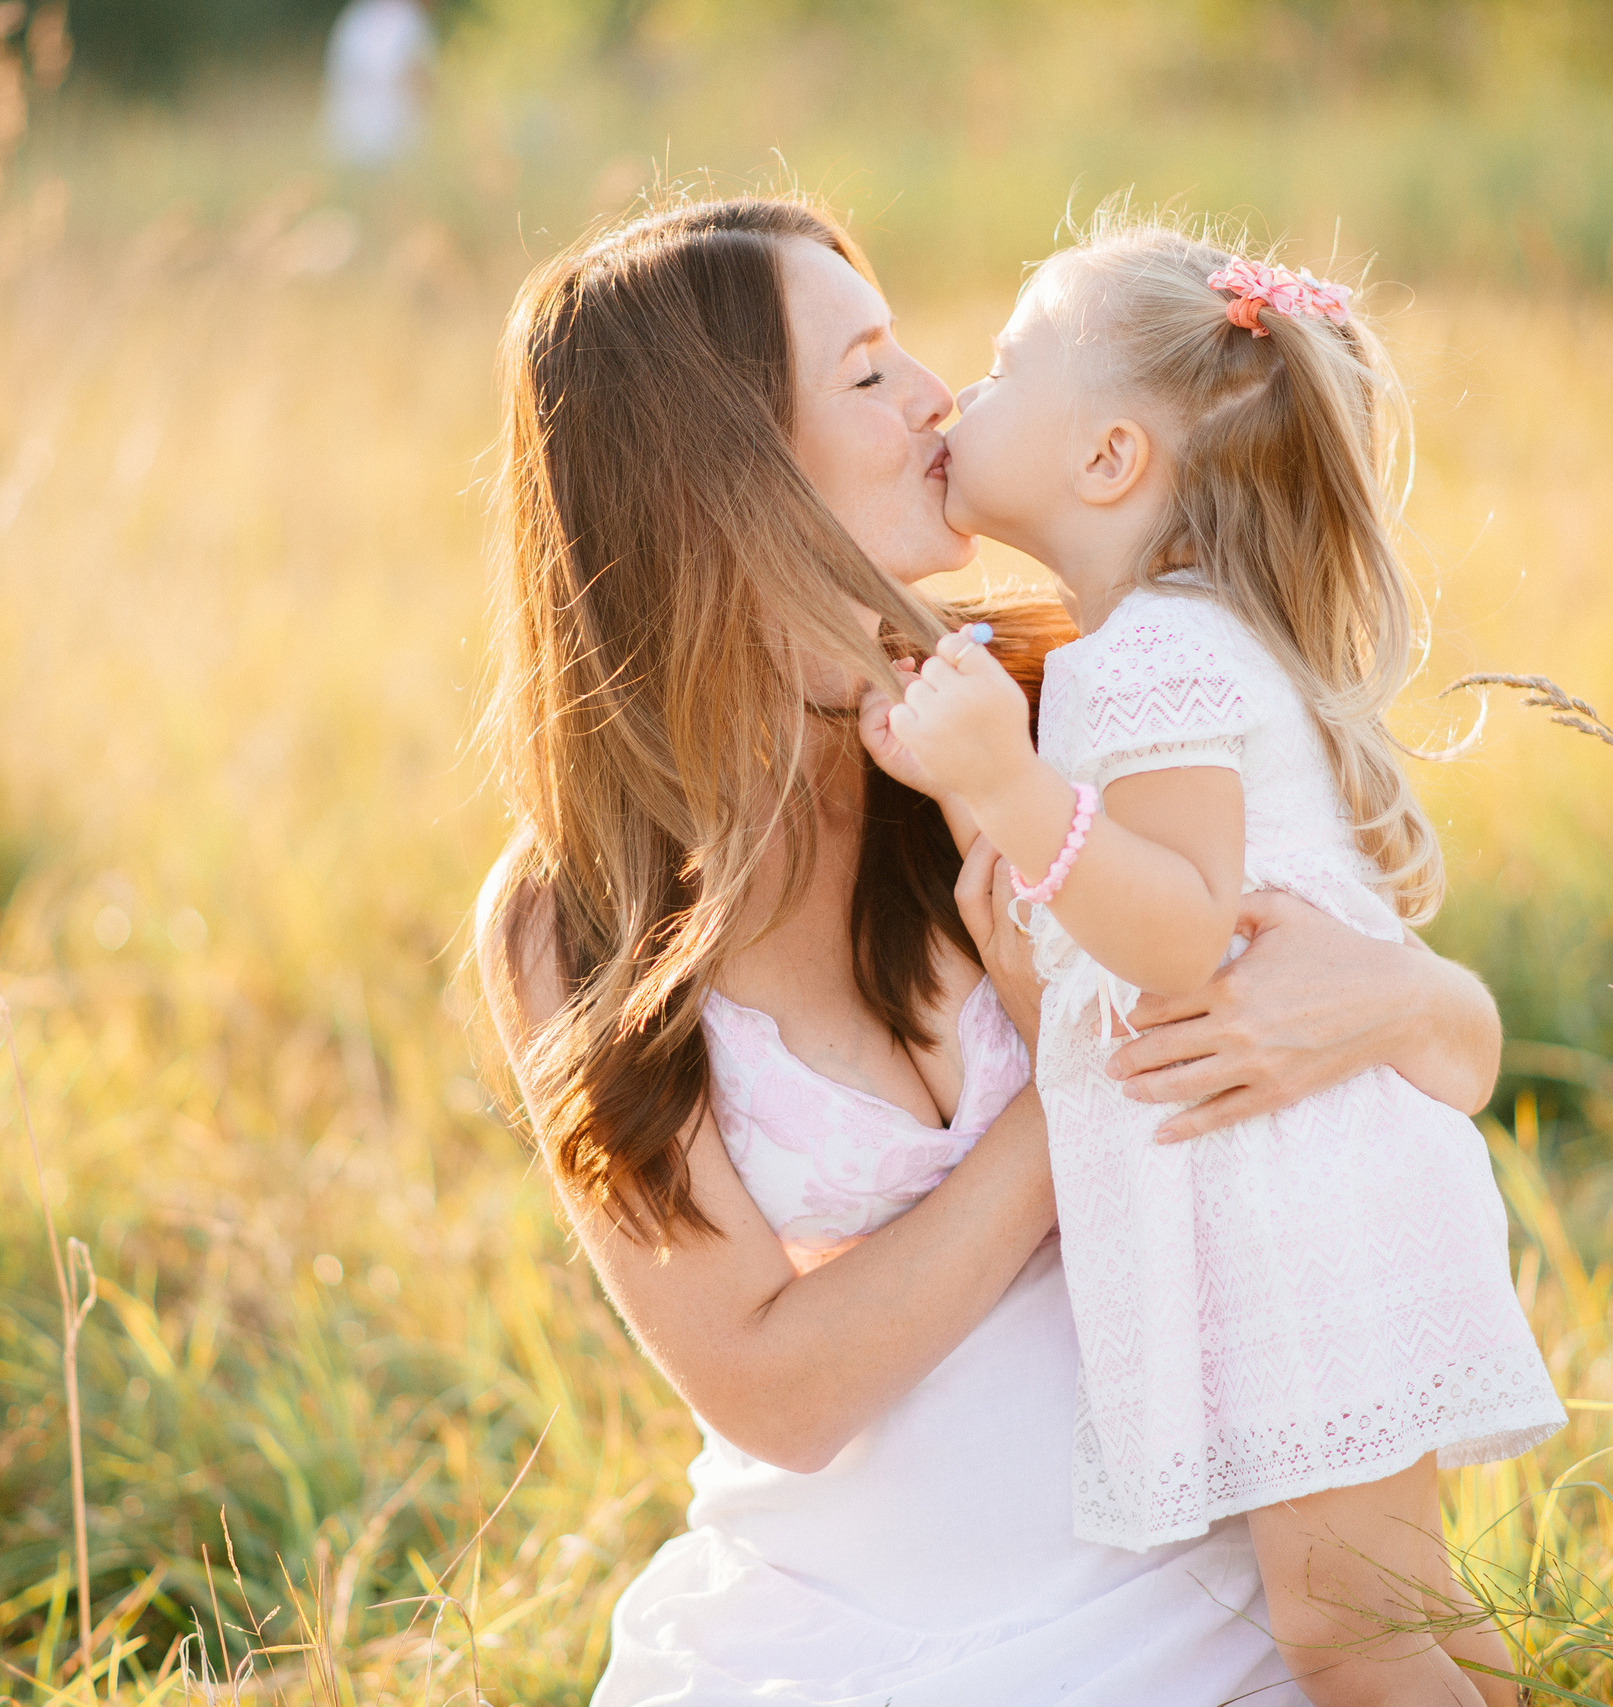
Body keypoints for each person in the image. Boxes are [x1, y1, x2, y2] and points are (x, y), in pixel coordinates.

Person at [473, 195, 1514, 1704]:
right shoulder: (577, 912)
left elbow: (1454, 1040)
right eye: (870, 371)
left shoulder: (1047, 708)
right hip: (840, 1624)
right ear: (721, 468)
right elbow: (774, 1387)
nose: (936, 398)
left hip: (1199, 1575)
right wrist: (1076, 1097)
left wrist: (1400, 994)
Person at [872, 209, 1564, 1705]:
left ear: (1109, 459)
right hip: (1307, 1179)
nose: (955, 397)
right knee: (1400, 1606)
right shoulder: (1175, 642)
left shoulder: (1151, 658)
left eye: (1001, 368)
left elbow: (1183, 931)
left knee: (1343, 1635)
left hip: (1291, 1208)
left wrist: (1003, 787)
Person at [322, 0, 433, 168]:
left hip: (348, 138)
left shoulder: (356, 17)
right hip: (389, 140)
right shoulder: (408, 21)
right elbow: (419, 79)